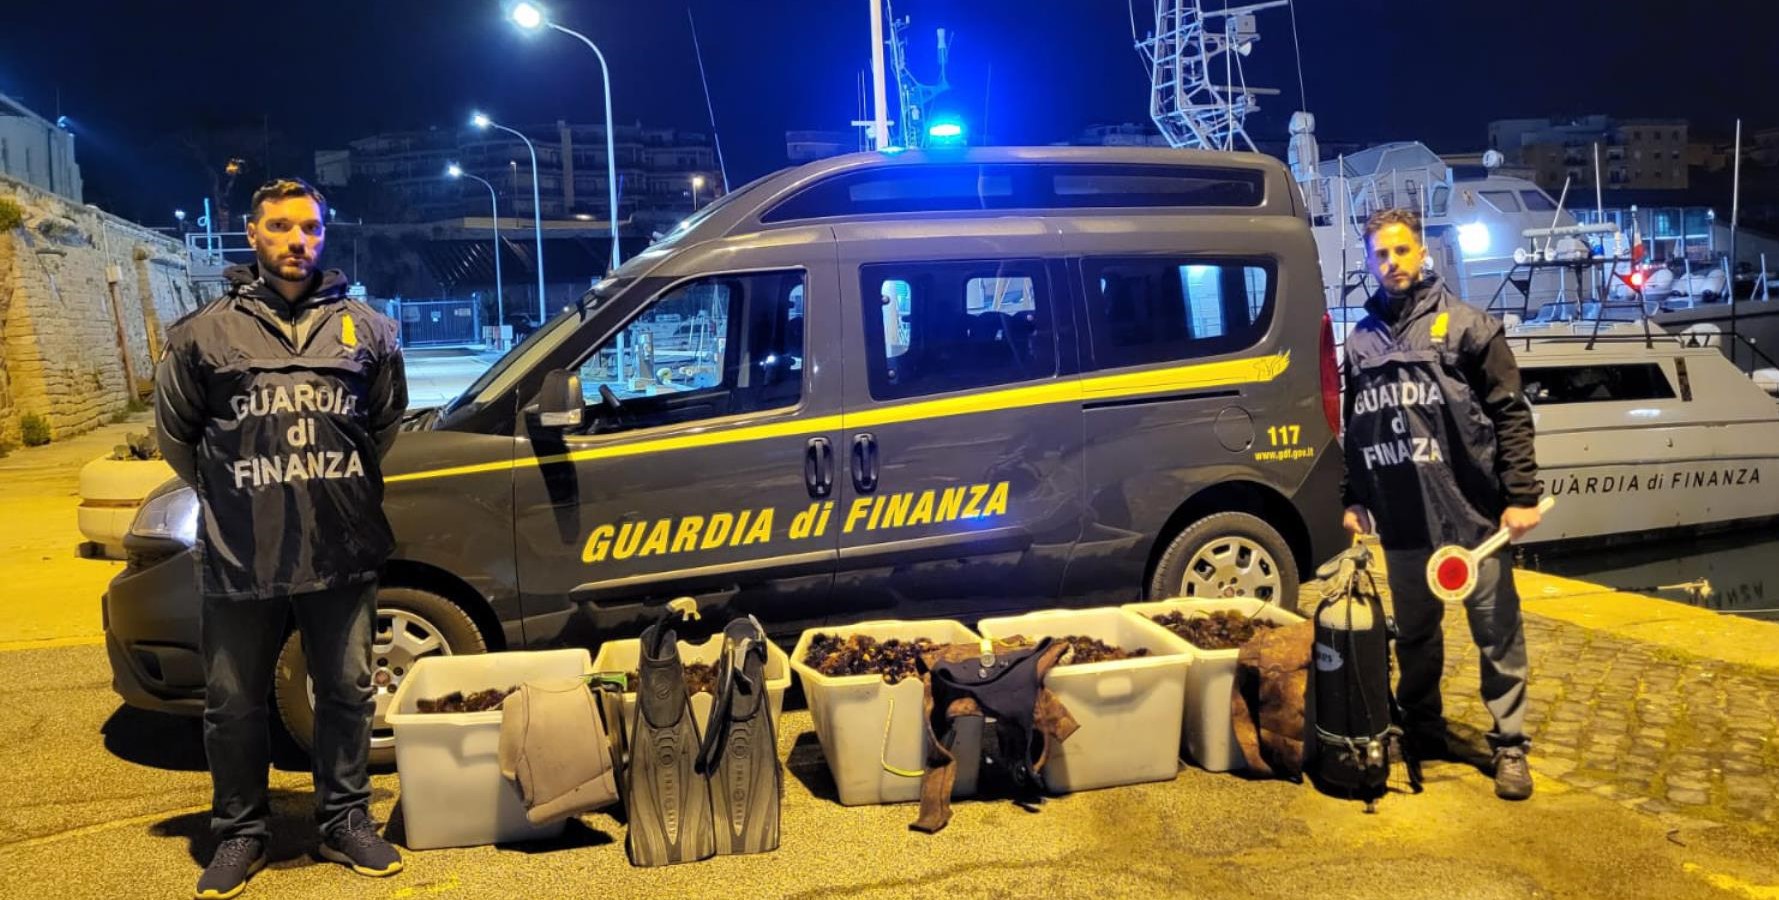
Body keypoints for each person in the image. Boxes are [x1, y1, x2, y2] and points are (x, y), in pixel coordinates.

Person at [156, 178, 408, 898]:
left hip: (342, 542)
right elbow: (178, 440)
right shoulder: (202, 333)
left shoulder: (370, 330)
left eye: (309, 228)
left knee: (347, 691)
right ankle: (239, 831)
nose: (297, 241)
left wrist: (322, 480)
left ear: (324, 235)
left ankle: (345, 820)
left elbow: (380, 427)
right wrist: (247, 491)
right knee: (232, 702)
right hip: (242, 550)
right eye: (280, 227)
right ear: (253, 233)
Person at [1339, 208, 1542, 801]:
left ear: (1421, 251)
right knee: (1416, 638)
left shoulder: (1470, 326)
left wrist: (1521, 496)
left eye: (1401, 251)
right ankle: (1422, 727)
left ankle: (1509, 745)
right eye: (1381, 255)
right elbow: (1358, 427)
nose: (1392, 263)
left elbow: (1510, 414)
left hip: (1472, 516)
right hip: (1403, 517)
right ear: (1370, 261)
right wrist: (1355, 497)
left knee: (1497, 633)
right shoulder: (1361, 340)